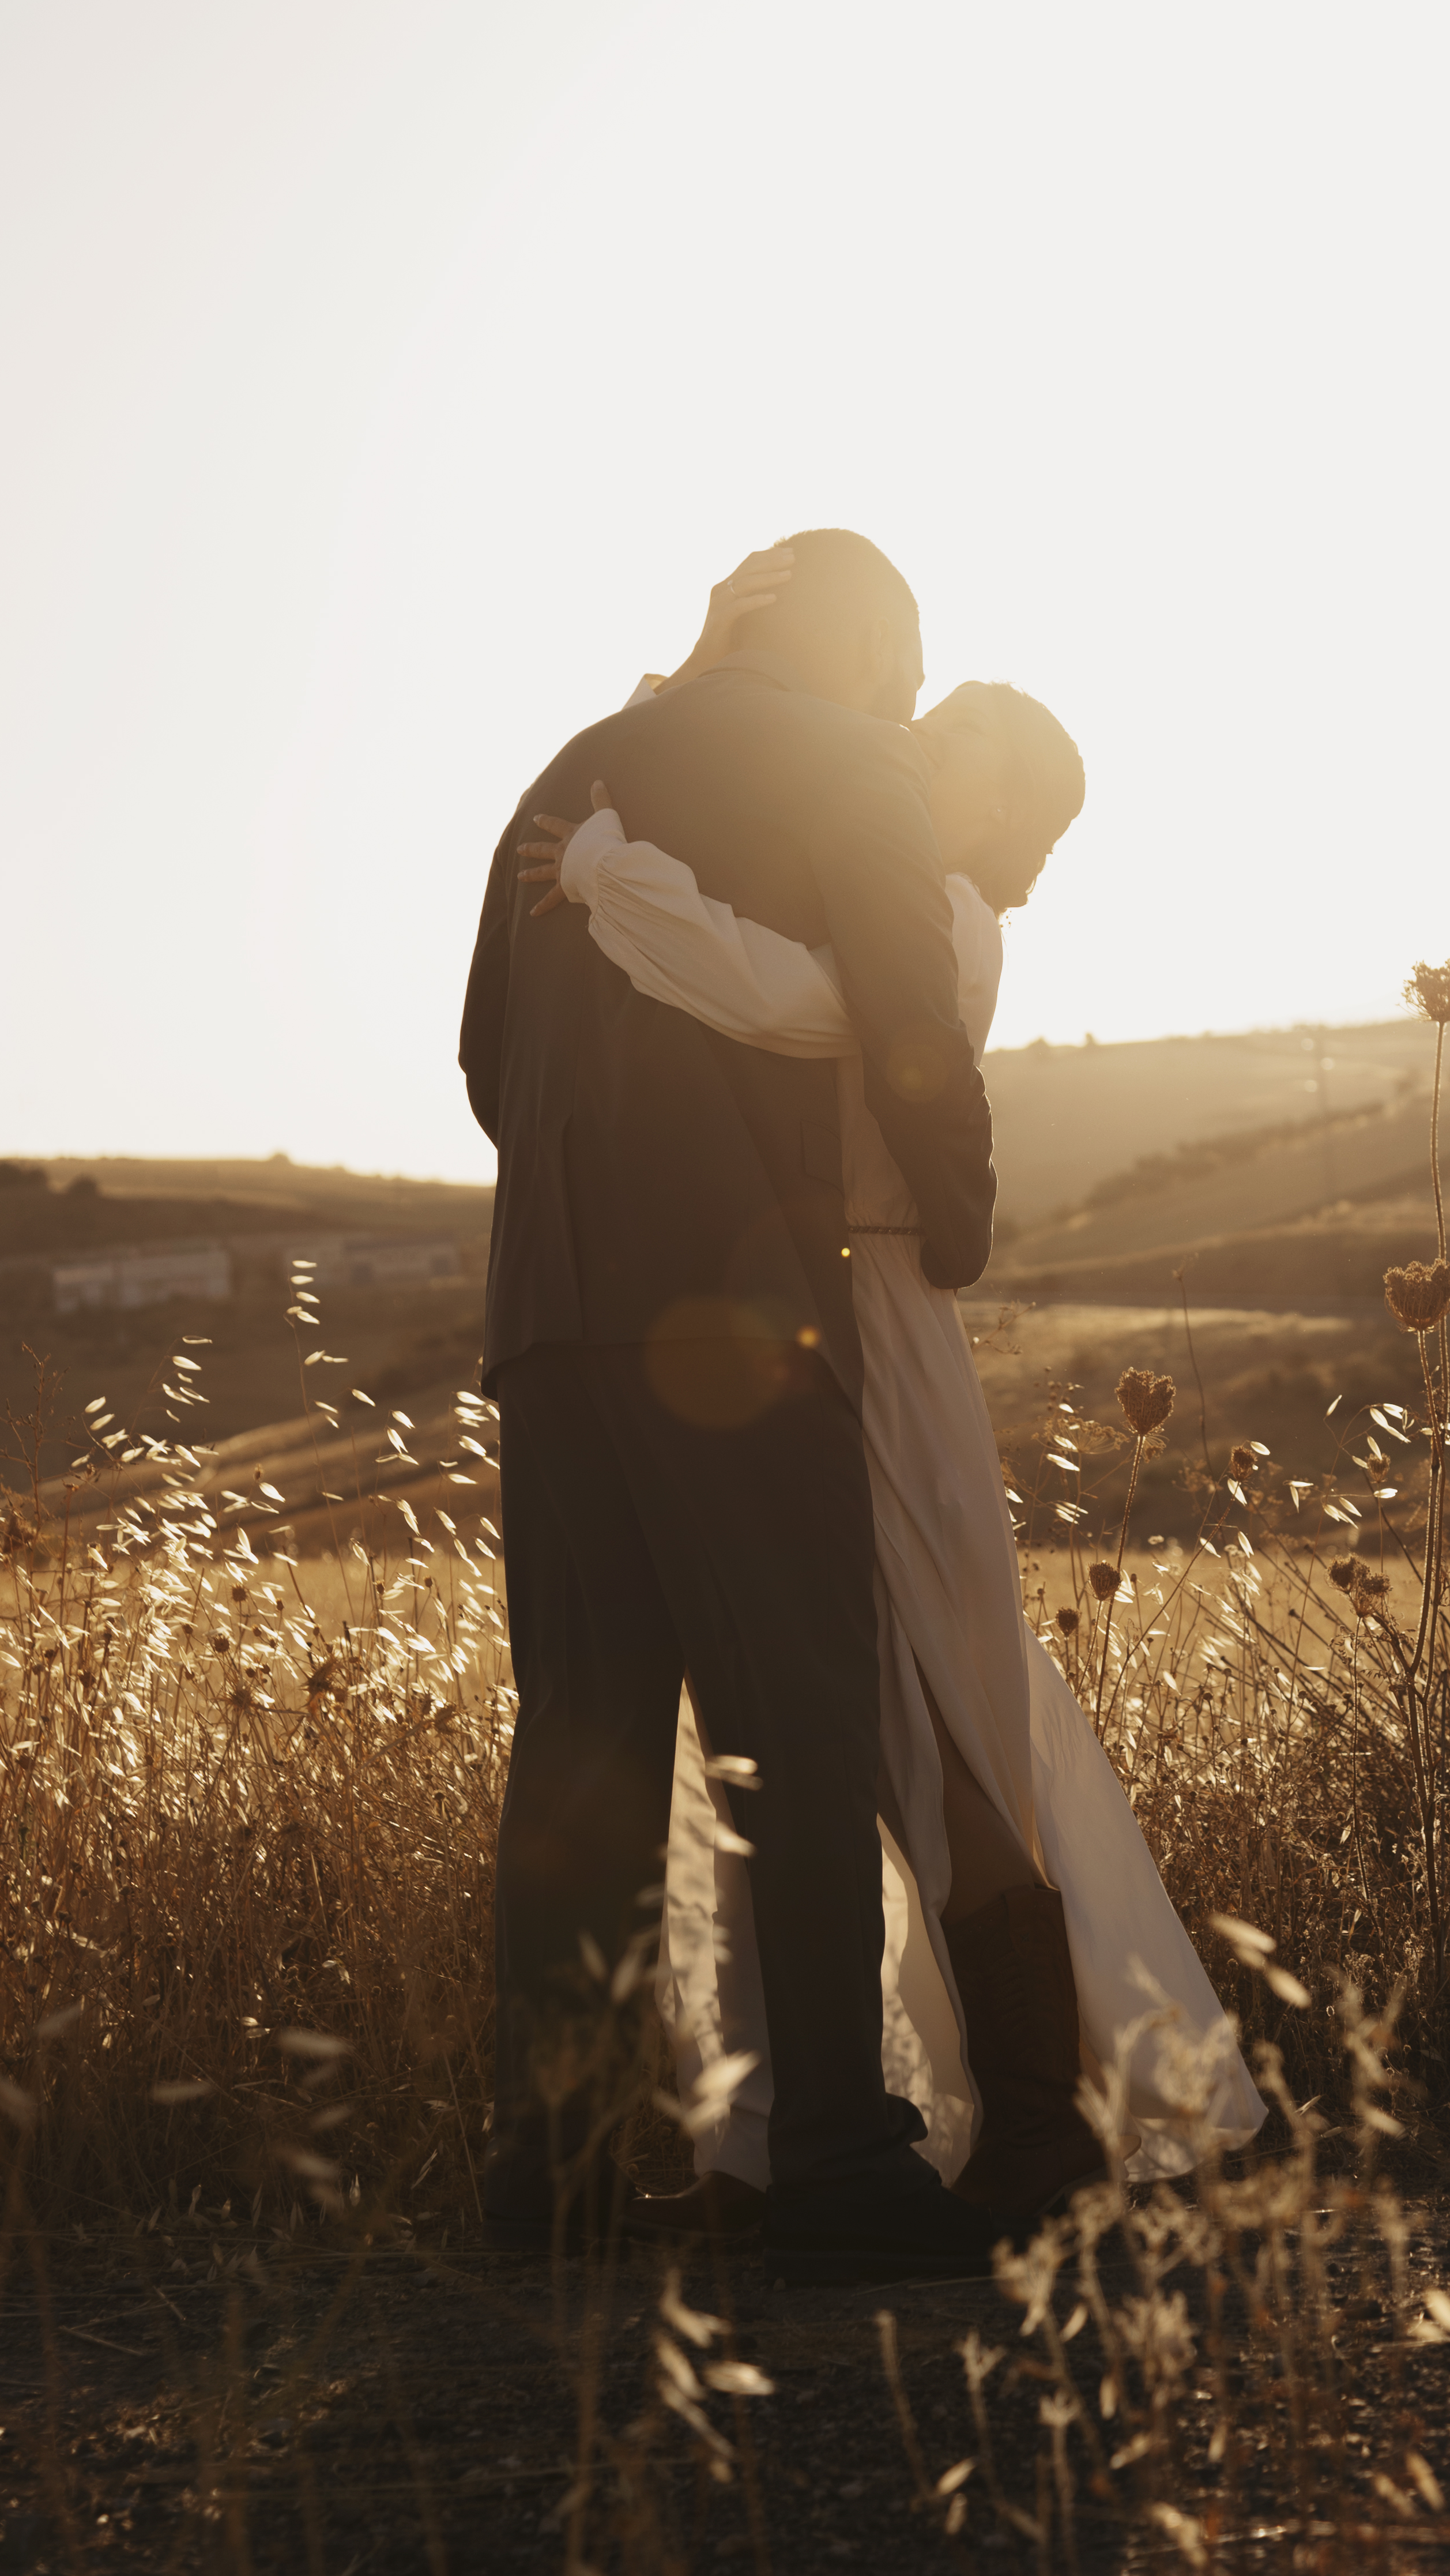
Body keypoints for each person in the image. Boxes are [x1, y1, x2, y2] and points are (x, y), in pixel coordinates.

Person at [518, 675, 1265, 2243]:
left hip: (876, 1322)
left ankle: (1039, 2112)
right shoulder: (886, 877)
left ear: (1013, 814)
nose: (922, 744)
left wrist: (608, 873)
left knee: (940, 1713)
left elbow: (781, 1000)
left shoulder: (939, 909)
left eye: (963, 741)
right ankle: (786, 2136)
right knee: (799, 1719)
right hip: (818, 1306)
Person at [459, 528, 1007, 2285]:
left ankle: (553, 2170)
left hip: (545, 1317)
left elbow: (483, 1055)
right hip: (739, 1316)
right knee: (801, 1718)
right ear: (859, 648)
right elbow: (914, 1015)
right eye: (904, 675)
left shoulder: (562, 772)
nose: (903, 711)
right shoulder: (848, 763)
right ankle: (836, 2154)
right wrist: (960, 1216)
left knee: (587, 1747)